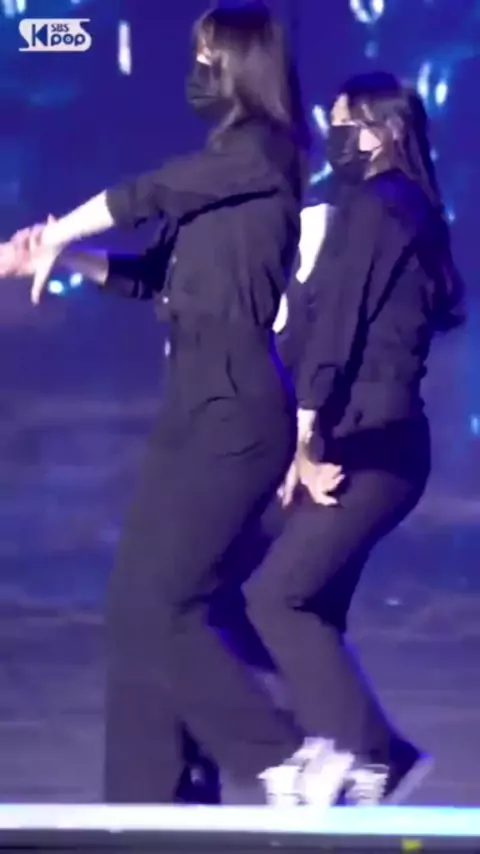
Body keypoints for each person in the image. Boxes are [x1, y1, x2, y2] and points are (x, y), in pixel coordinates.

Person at [0, 2, 347, 806]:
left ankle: (291, 760)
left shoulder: (266, 154)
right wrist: (63, 258)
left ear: (243, 65)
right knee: (134, 607)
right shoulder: (222, 164)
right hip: (190, 407)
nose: (197, 71)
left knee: (165, 603)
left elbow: (146, 193)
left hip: (236, 412)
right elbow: (150, 274)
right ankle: (149, 798)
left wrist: (59, 231)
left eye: (209, 56)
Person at [243, 71, 465, 805]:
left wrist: (305, 436)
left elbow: (338, 328)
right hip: (370, 440)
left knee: (277, 596)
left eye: (347, 124)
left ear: (386, 129)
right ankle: (346, 750)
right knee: (291, 596)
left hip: (367, 445)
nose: (335, 136)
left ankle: (366, 753)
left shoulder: (380, 208)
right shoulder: (397, 209)